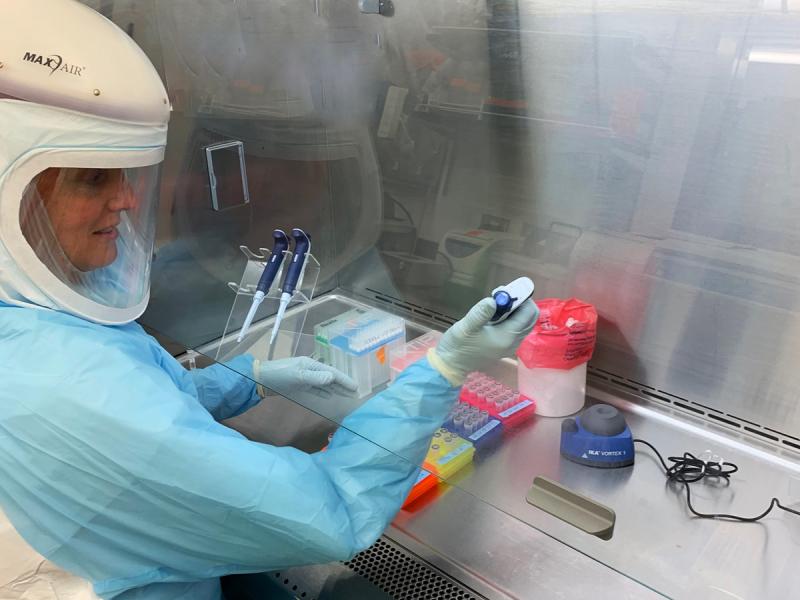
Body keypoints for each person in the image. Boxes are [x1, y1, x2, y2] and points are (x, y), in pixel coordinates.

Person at [0, 2, 539, 599]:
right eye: (93, 177)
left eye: (128, 175)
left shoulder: (33, 318)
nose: (128, 200)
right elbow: (332, 510)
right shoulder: (72, 389)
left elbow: (146, 395)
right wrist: (443, 370)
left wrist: (248, 375)